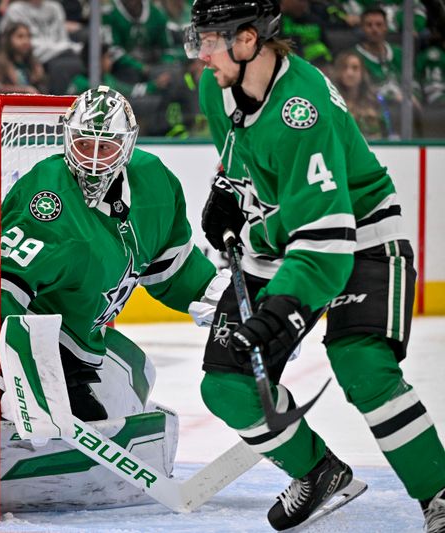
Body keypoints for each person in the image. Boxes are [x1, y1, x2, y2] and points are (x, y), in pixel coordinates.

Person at [184, 1, 445, 531]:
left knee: (363, 365)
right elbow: (241, 153)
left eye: (211, 39)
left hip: (362, 234)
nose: (201, 53)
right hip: (283, 235)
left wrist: (286, 305)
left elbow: (326, 233)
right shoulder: (216, 86)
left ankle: (438, 492)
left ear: (249, 39)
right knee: (227, 384)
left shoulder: (301, 108)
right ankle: (320, 472)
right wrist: (227, 193)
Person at [0, 86, 227, 422]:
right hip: (13, 334)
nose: (91, 159)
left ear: (126, 146)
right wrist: (21, 374)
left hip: (79, 339)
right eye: (82, 144)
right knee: (81, 422)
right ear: (67, 138)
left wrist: (217, 296)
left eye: (104, 146)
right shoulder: (48, 198)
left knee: (137, 379)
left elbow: (172, 268)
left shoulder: (155, 181)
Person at [332, 50, 391, 139]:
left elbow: (386, 133)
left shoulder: (375, 101)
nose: (350, 73)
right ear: (338, 72)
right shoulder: (332, 102)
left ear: (362, 72)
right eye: (344, 68)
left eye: (355, 68)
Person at [0, 22, 47, 94]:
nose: (25, 41)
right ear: (8, 39)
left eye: (28, 37)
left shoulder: (34, 63)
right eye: (20, 36)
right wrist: (24, 89)